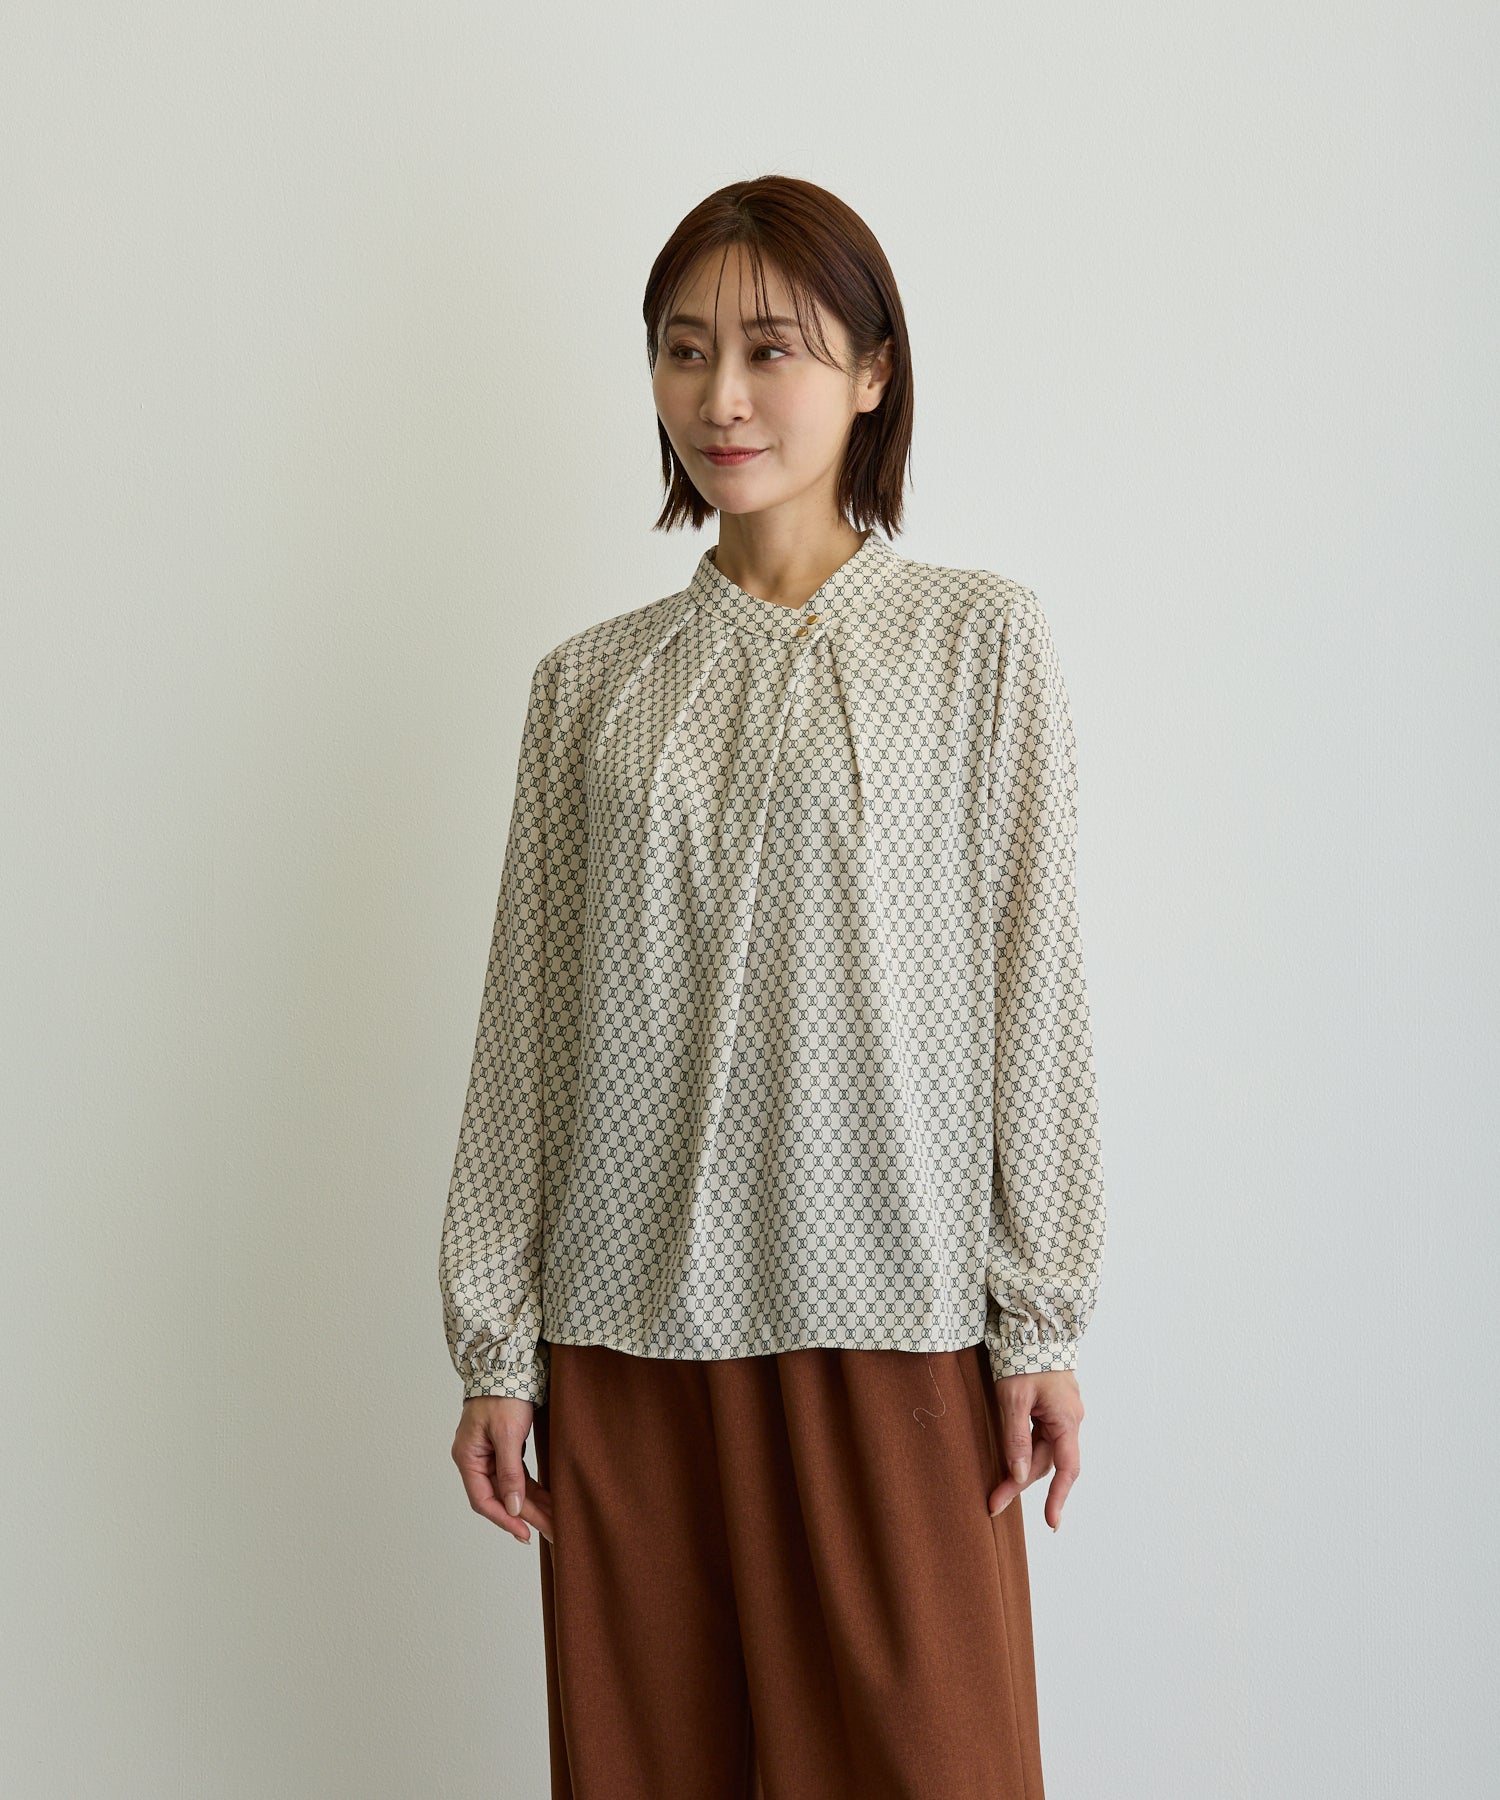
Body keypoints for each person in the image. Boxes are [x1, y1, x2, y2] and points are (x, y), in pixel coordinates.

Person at [438, 174, 1107, 1800]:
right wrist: (493, 1345)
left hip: (898, 1319)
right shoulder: (590, 688)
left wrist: (1039, 1315)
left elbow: (1034, 985)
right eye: (683, 352)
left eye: (770, 349)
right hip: (626, 1333)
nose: (721, 397)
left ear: (872, 370)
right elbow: (526, 1026)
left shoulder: (979, 645)